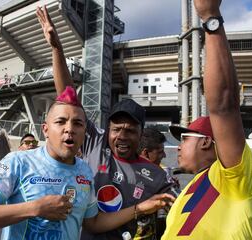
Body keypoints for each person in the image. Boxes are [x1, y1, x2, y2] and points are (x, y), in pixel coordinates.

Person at [0, 87, 174, 240]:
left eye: (78, 123)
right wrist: (35, 208)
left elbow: (94, 223)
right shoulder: (18, 162)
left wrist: (139, 208)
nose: (69, 128)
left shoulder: (85, 172)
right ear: (45, 129)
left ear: (83, 132)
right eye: (60, 121)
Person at [36, 6, 177, 239]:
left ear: (141, 134)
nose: (121, 136)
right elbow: (67, 95)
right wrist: (56, 47)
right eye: (116, 129)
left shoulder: (157, 175)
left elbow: (181, 208)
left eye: (130, 130)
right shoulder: (95, 143)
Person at [161, 0, 252, 239]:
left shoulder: (230, 176)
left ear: (206, 142)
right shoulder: (189, 190)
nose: (179, 147)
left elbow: (224, 106)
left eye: (184, 138)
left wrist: (210, 17)